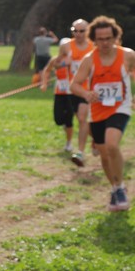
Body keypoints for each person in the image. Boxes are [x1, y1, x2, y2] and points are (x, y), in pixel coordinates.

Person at [70, 16, 135, 211]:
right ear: (94, 39)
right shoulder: (89, 60)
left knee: (112, 145)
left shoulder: (128, 55)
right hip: (97, 112)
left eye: (109, 38)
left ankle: (121, 189)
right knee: (105, 156)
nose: (105, 43)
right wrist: (86, 93)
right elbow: (74, 85)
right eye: (100, 39)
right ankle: (116, 187)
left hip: (120, 107)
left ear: (116, 37)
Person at [57, 19, 94, 166]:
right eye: (75, 30)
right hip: (74, 88)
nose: (78, 34)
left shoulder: (93, 46)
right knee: (81, 119)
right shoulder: (66, 46)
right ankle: (97, 139)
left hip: (89, 89)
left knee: (82, 119)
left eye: (82, 31)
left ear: (88, 31)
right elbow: (57, 63)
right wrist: (66, 62)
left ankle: (80, 152)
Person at [41, 38, 74, 152]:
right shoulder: (56, 60)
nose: (67, 48)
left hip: (71, 93)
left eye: (69, 46)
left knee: (69, 118)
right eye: (64, 46)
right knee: (58, 119)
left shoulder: (74, 59)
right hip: (59, 92)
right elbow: (47, 70)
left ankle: (69, 142)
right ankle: (65, 126)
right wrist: (44, 83)